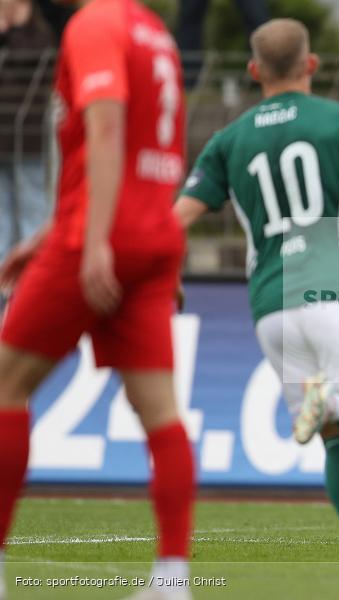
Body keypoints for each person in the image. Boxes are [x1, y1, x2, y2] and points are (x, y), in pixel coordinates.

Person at [173, 18, 339, 579]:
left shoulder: (227, 140)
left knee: (336, 443)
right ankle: (333, 406)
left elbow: (174, 220)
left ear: (253, 70)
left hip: (271, 307)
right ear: (312, 64)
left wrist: (164, 275)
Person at [0, 0, 195, 599]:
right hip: (152, 234)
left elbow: (107, 130)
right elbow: (150, 147)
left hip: (98, 235)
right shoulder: (154, 32)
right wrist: (47, 235)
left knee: (5, 386)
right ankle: (172, 579)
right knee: (161, 413)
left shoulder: (95, 25)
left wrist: (92, 242)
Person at [0, 0, 54, 263]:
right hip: (3, 139)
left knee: (33, 208)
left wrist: (13, 30)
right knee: (2, 214)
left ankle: (34, 268)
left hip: (29, 138)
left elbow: (33, 71)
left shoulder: (40, 36)